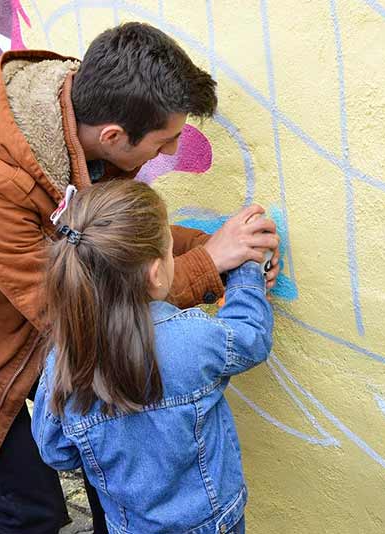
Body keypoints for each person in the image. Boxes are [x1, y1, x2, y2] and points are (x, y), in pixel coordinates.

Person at [0, 22, 280, 533]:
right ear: (114, 136)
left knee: (103, 481)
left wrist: (214, 247)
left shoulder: (73, 122)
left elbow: (108, 242)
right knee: (33, 513)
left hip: (14, 332)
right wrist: (210, 263)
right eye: (166, 141)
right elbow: (82, 303)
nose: (169, 153)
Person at [33, 179, 272, 533]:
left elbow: (56, 451)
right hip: (213, 523)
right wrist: (247, 269)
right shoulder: (193, 337)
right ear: (156, 273)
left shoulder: (64, 362)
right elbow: (251, 335)